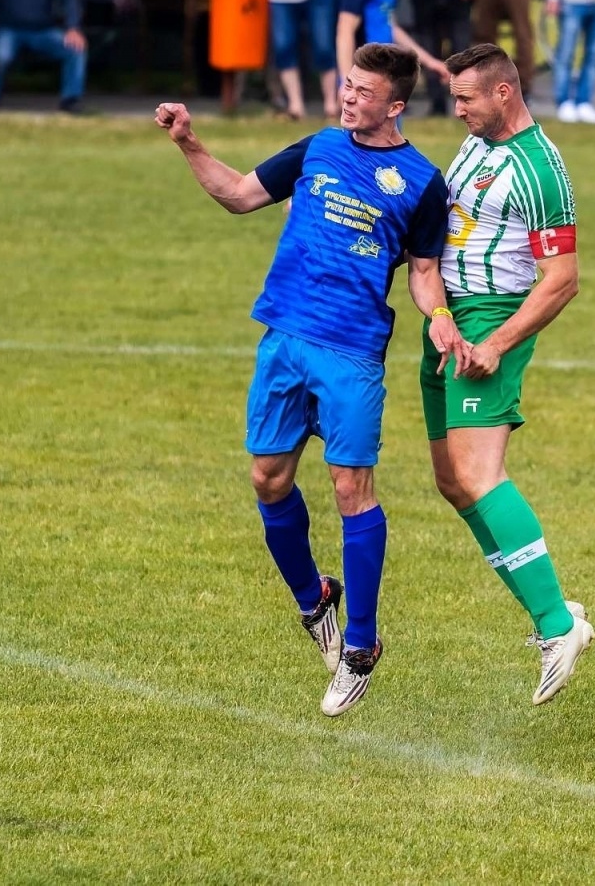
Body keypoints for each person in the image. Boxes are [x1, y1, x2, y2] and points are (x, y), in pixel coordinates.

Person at [153, 43, 465, 717]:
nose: (348, 97)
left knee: (351, 486)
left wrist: (439, 315)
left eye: (362, 91)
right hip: (284, 339)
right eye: (346, 85)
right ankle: (313, 597)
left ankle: (360, 646)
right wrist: (189, 142)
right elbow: (239, 195)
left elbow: (421, 269)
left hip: (351, 353)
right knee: (267, 478)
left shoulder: (422, 182)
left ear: (396, 105)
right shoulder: (318, 148)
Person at [426, 43, 593, 705]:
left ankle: (556, 625)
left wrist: (494, 341)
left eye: (465, 97)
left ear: (503, 93)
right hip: (449, 319)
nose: (457, 107)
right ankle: (553, 609)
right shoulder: (474, 142)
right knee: (451, 480)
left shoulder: (540, 170)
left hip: (491, 319)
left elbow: (562, 280)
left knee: (478, 473)